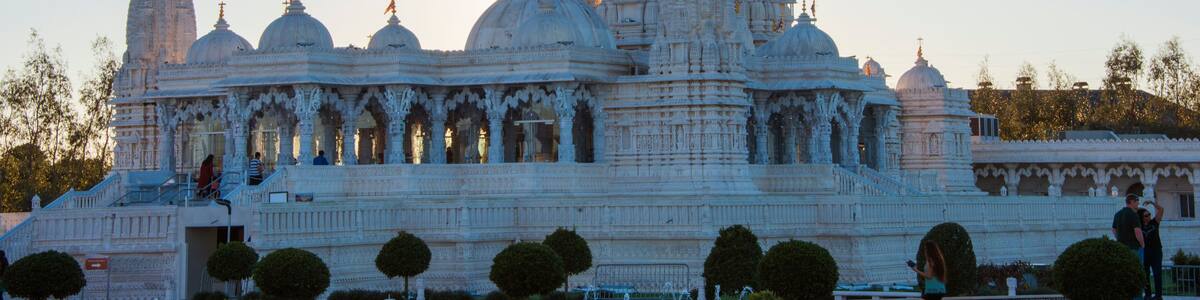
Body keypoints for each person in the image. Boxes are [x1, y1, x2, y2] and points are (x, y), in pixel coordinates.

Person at [1140, 201, 1165, 300]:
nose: (1148, 216)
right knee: (1145, 274)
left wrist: (1152, 203)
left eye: (1149, 214)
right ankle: (1148, 294)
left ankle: (1158, 295)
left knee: (1157, 273)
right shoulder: (1139, 226)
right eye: (1146, 215)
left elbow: (1161, 210)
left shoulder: (1155, 222)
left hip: (1156, 251)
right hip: (1145, 252)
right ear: (1142, 217)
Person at [1112, 194, 1146, 259]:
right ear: (1132, 201)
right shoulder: (1133, 214)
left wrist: (1119, 239)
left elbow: (1114, 229)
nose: (1138, 203)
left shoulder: (1118, 214)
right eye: (1137, 201)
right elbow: (1138, 232)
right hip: (1134, 248)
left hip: (1122, 248)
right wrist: (1143, 245)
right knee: (1137, 267)